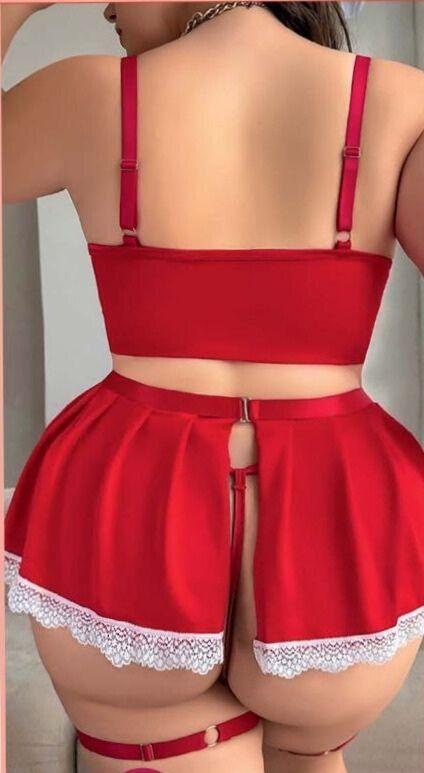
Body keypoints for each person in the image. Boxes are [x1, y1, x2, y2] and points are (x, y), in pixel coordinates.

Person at [2, 3, 424, 772]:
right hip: (339, 517)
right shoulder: (402, 102)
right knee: (310, 753)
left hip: (134, 510)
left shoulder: (87, 94)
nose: (106, 6)